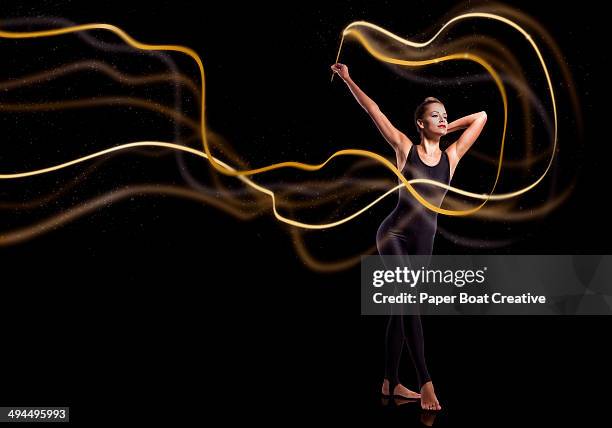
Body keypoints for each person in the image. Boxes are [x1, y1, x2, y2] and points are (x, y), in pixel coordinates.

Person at [331, 62, 487, 411]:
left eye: (445, 116)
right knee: (410, 301)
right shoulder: (405, 148)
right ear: (420, 124)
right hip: (394, 234)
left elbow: (481, 116)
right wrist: (348, 77)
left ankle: (390, 382)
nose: (444, 120)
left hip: (424, 241)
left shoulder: (452, 155)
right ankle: (426, 382)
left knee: (401, 307)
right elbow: (374, 111)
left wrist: (447, 128)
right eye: (436, 116)